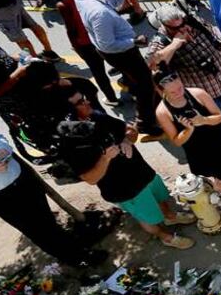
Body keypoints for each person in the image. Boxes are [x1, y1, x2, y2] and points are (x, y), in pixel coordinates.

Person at [58, 89, 196, 249]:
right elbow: (91, 179)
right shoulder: (70, 143)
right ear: (68, 112)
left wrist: (126, 140)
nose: (87, 102)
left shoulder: (95, 116)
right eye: (80, 102)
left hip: (143, 173)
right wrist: (106, 158)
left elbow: (131, 131)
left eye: (84, 97)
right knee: (147, 217)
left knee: (160, 198)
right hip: (125, 190)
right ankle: (164, 236)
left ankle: (170, 216)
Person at [0, 118, 105, 268]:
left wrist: (3, 147)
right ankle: (76, 259)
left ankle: (73, 245)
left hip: (19, 176)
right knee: (37, 230)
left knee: (46, 218)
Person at [74, 0, 160, 136]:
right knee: (146, 84)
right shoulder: (100, 13)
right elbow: (108, 44)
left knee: (135, 79)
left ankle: (133, 87)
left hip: (113, 50)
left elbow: (113, 1)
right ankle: (145, 122)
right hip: (122, 53)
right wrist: (135, 42)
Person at [146, 3, 221, 134]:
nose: (183, 29)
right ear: (164, 26)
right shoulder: (161, 40)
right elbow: (153, 63)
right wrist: (175, 44)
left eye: (183, 24)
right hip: (205, 95)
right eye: (176, 28)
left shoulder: (193, 22)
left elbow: (212, 30)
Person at [153, 71, 221, 176]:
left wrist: (203, 120)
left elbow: (220, 117)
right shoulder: (162, 112)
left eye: (180, 88)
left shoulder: (198, 94)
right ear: (161, 91)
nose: (179, 93)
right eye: (173, 92)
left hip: (219, 142)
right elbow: (177, 142)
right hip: (198, 153)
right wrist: (188, 130)